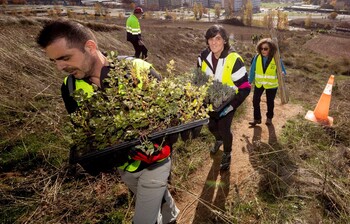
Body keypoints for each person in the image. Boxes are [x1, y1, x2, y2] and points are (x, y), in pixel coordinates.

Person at [36, 19, 179, 224]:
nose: (60, 67)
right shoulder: (69, 88)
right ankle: (171, 215)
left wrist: (163, 145)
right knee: (146, 195)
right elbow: (84, 132)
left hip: (155, 162)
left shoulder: (138, 69)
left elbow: (173, 115)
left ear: (90, 47)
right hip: (124, 167)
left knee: (145, 217)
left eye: (65, 57)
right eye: (54, 61)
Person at [197, 25, 251, 170]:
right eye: (210, 39)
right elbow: (199, 78)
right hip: (210, 101)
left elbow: (245, 88)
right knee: (211, 126)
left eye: (218, 39)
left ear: (225, 41)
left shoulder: (234, 60)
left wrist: (231, 107)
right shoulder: (203, 56)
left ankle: (227, 153)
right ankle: (218, 140)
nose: (214, 42)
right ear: (207, 41)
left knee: (224, 128)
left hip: (228, 102)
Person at [248, 38, 287, 126]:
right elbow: (252, 70)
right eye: (261, 48)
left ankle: (269, 118)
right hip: (259, 83)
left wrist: (282, 73)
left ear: (271, 49)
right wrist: (249, 81)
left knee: (270, 101)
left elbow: (283, 71)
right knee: (255, 100)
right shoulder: (257, 57)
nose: (263, 50)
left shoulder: (276, 59)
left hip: (271, 85)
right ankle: (257, 119)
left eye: (265, 49)